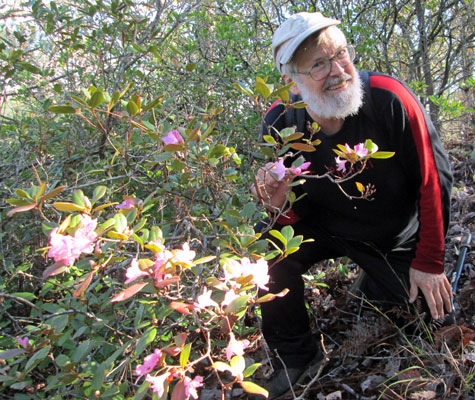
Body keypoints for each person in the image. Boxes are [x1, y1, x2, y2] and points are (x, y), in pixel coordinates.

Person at [251, 11, 453, 399]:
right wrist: (276, 205)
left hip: (393, 235)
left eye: (341, 54)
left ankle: (375, 277)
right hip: (327, 228)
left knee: (429, 321)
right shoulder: (281, 124)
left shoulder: (390, 99)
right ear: (291, 82)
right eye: (319, 65)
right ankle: (294, 356)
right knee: (269, 247)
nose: (338, 70)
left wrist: (429, 262)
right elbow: (287, 215)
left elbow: (434, 180)